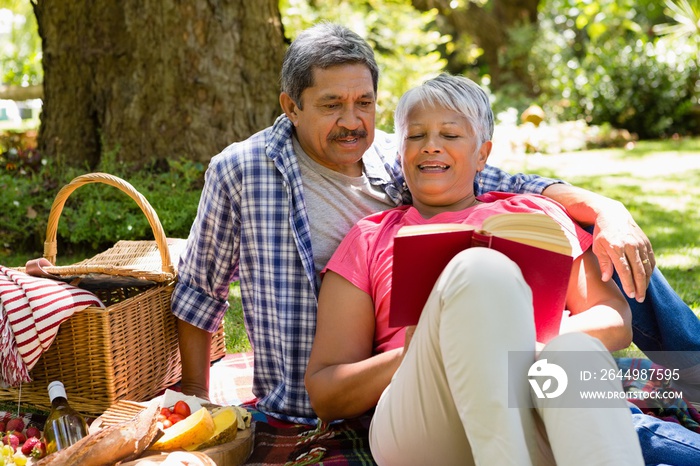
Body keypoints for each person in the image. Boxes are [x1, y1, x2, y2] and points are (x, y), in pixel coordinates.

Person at [171, 21, 699, 424]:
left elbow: (497, 180)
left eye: (365, 104)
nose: (353, 122)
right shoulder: (242, 171)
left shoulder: (392, 155)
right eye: (332, 105)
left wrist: (608, 210)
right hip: (356, 383)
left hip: (509, 363)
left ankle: (688, 376)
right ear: (291, 105)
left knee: (605, 272)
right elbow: (200, 291)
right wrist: (198, 402)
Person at [305, 73, 644, 465]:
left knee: (575, 351)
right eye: (416, 137)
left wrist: (515, 343)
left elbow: (616, 320)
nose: (431, 147)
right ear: (401, 154)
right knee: (478, 269)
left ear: (482, 153)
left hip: (537, 397)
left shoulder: (535, 214)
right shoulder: (370, 238)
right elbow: (326, 393)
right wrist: (417, 351)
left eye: (449, 136)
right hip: (426, 419)